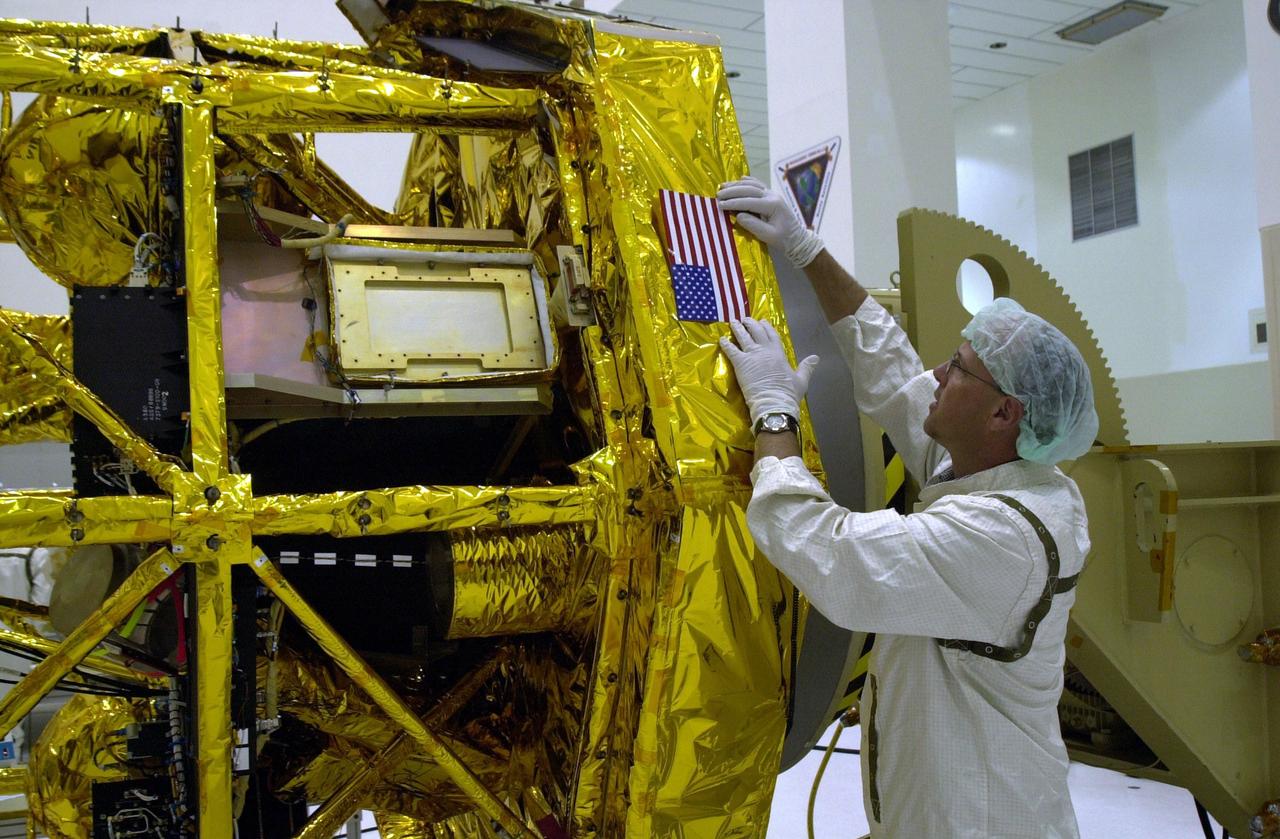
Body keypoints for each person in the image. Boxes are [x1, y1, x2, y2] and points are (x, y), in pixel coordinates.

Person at [716, 176, 1099, 839]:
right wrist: (807, 249)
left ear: (1004, 412)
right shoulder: (983, 466)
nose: (940, 375)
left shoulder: (1001, 537)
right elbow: (891, 369)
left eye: (959, 368)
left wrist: (775, 410)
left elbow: (832, 553)